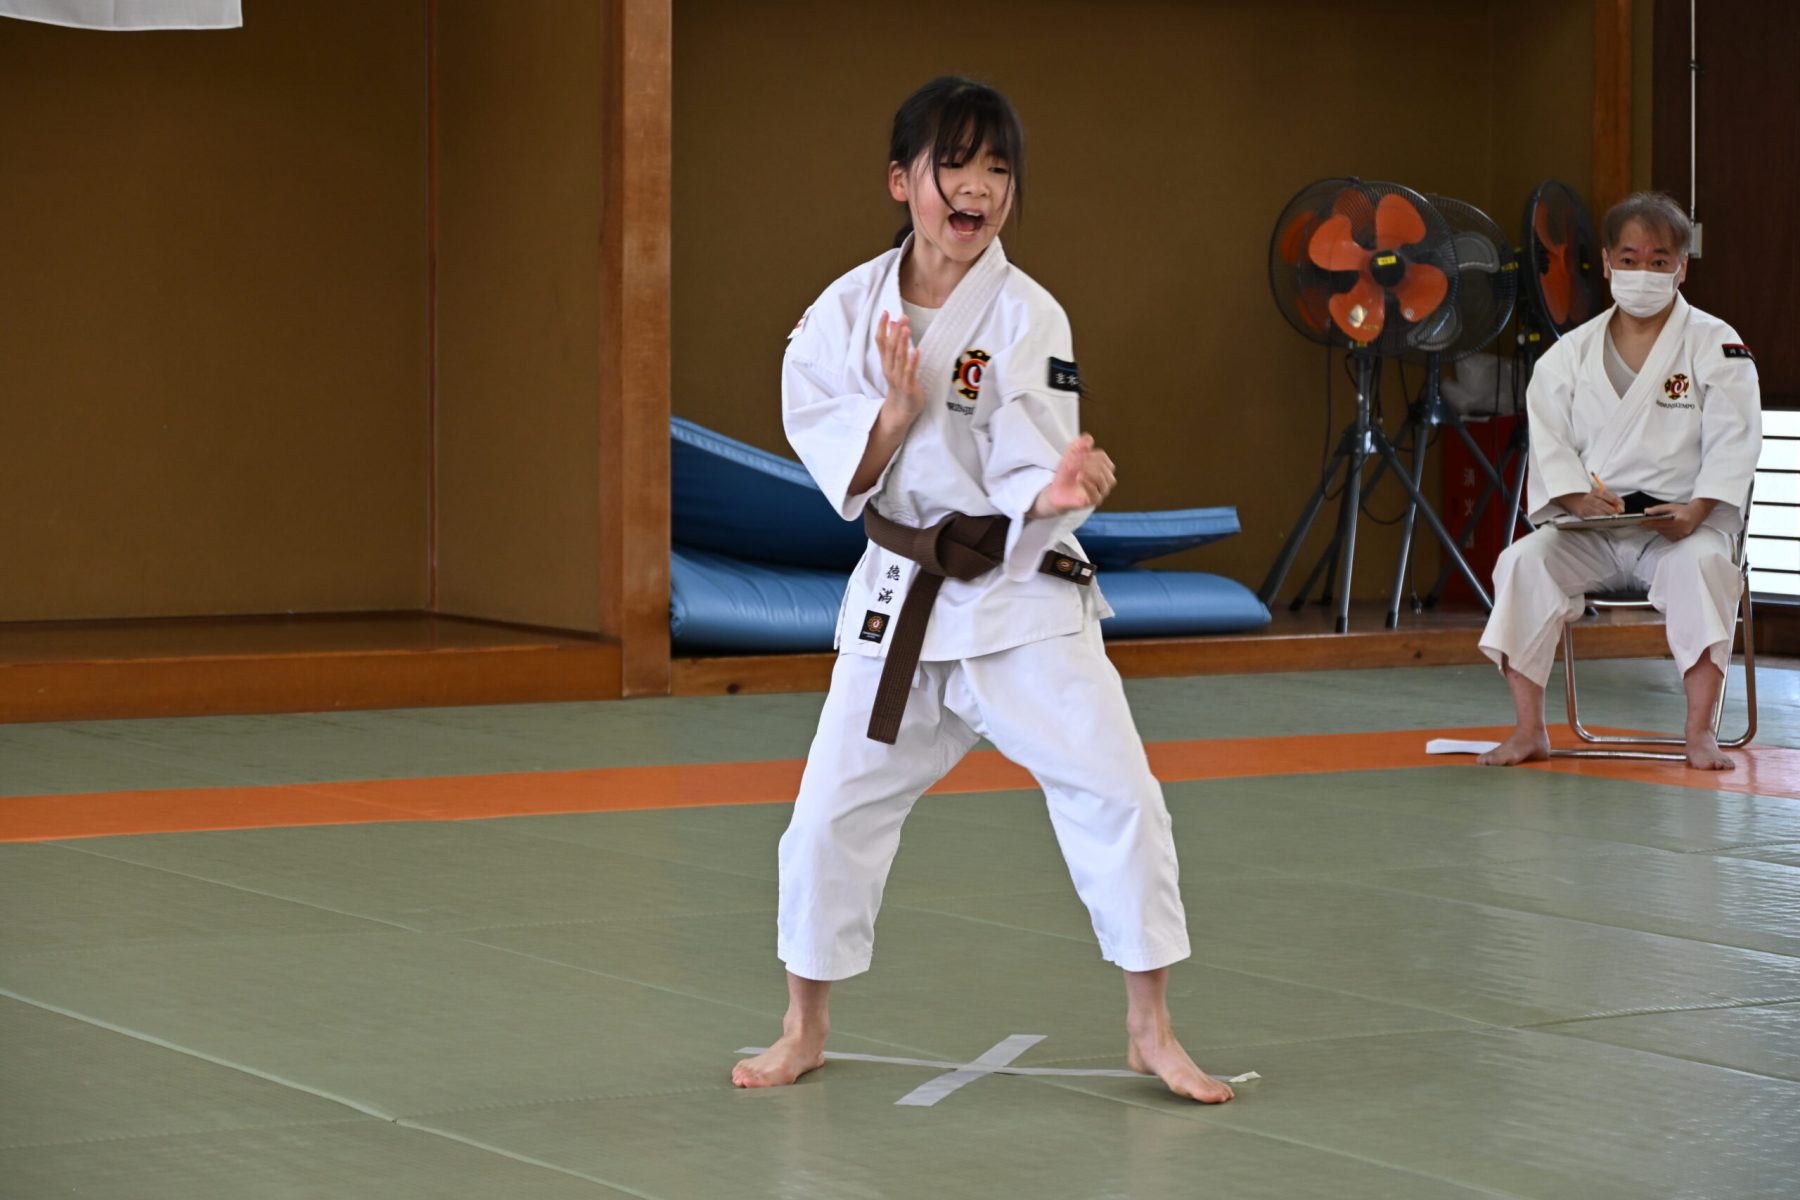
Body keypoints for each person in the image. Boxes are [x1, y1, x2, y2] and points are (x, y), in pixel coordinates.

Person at [730, 77, 1233, 1103]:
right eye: (954, 165)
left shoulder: (1027, 313)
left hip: (1017, 594)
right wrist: (893, 413)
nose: (978, 187)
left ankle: (1150, 1028)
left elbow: (1035, 455)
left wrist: (1055, 490)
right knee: (826, 817)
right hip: (901, 596)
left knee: (1119, 798)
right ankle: (801, 1026)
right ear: (901, 182)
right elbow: (830, 447)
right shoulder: (843, 313)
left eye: (998, 169)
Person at [1477, 191, 1762, 770]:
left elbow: (1737, 439)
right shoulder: (1568, 355)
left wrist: (1698, 509)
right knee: (1523, 562)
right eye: (1629, 259)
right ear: (1606, 263)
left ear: (1682, 267)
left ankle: (1699, 732)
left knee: (1705, 568)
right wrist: (1575, 498)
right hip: (1592, 528)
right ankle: (1530, 730)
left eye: (1659, 261)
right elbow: (1549, 439)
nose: (1643, 273)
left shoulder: (1716, 343)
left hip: (1681, 527)